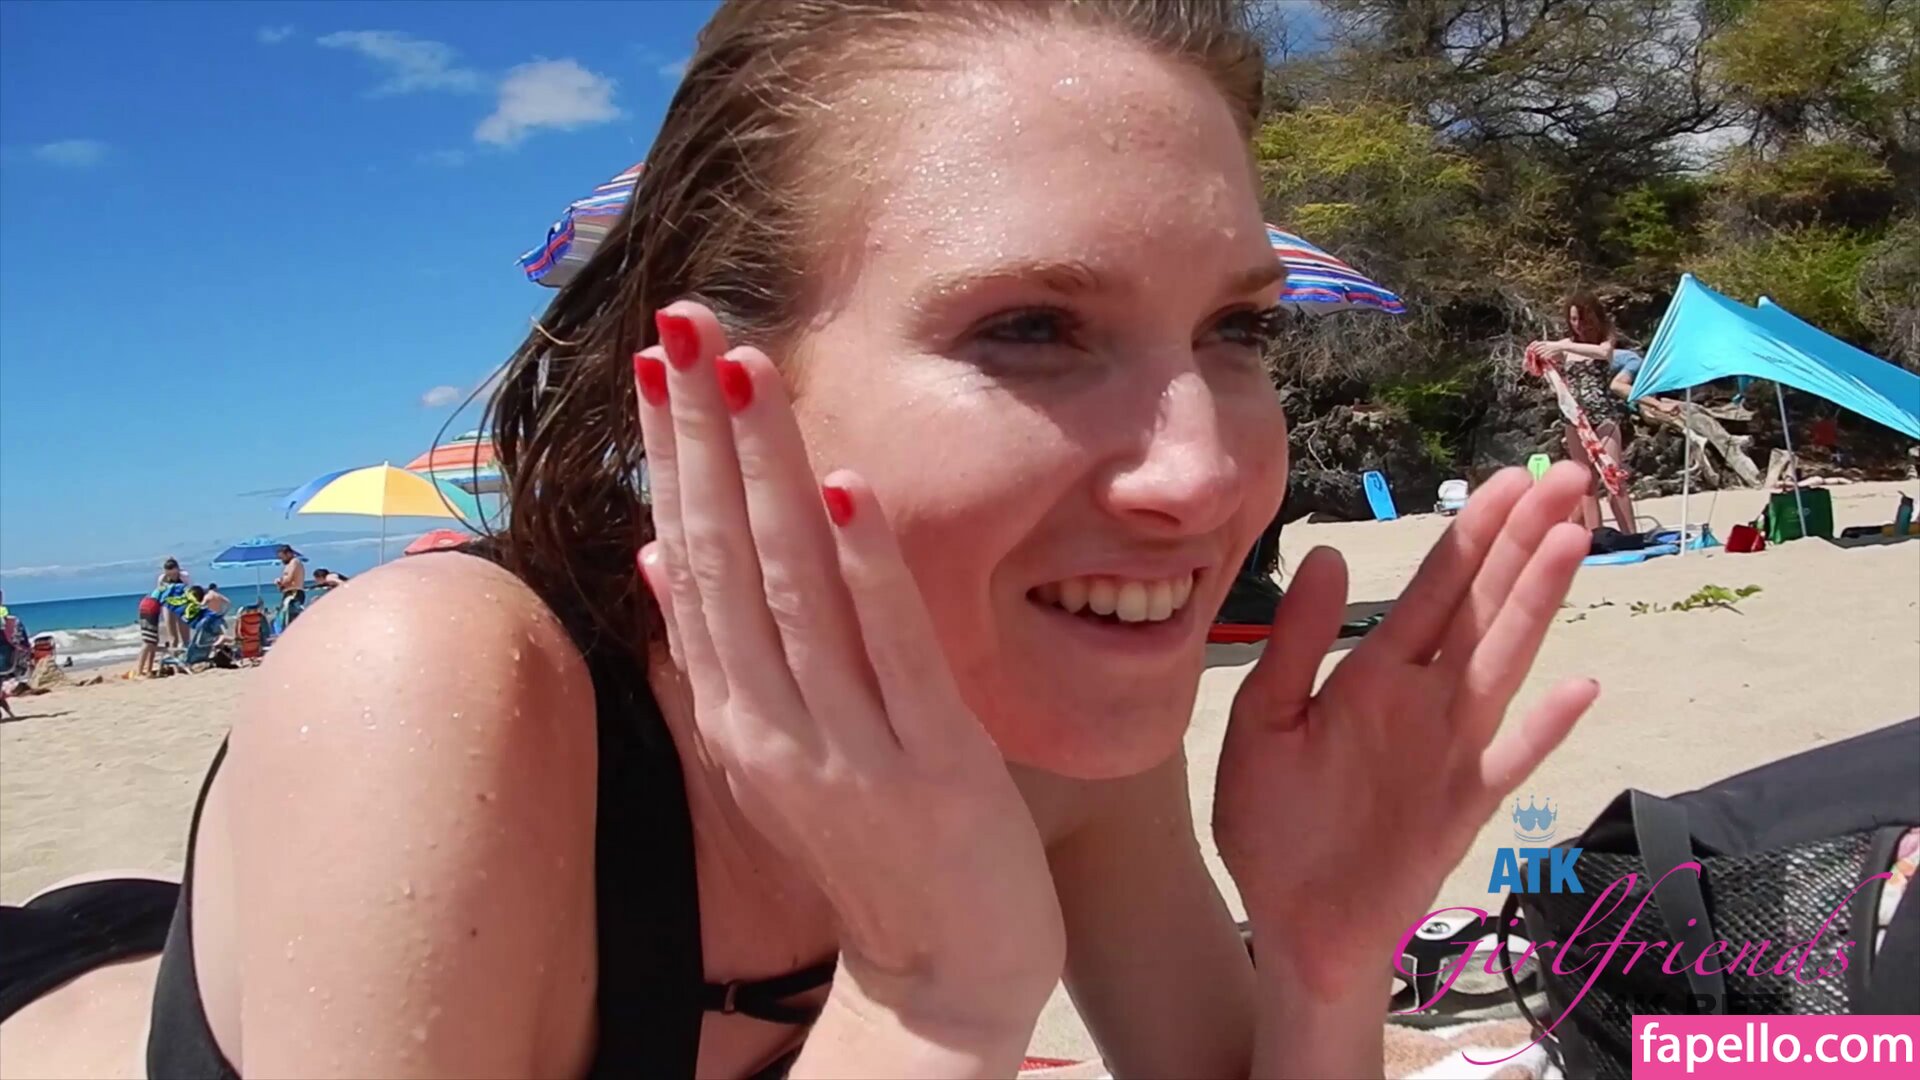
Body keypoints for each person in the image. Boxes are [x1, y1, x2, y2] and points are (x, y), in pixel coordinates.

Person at [0, 4, 1598, 1076]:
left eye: (1235, 329)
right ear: (715, 383)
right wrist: (926, 999)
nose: (1202, 472)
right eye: (1032, 327)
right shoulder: (437, 695)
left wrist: (1323, 961)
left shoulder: (1048, 725)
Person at [1528, 292, 1638, 532]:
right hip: (1575, 420)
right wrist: (1536, 355)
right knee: (1586, 483)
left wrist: (1560, 346)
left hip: (1604, 415)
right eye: (1574, 320)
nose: (1579, 325)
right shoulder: (1565, 346)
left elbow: (1603, 353)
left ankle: (1630, 534)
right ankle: (1595, 536)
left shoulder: (1605, 339)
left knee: (1613, 476)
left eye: (1583, 319)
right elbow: (1538, 367)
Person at [135, 587, 164, 678]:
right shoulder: (174, 588)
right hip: (150, 606)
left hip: (148, 605)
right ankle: (139, 672)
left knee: (153, 641)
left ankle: (148, 670)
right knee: (148, 641)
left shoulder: (164, 586)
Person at [274, 545, 306, 625]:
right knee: (287, 618)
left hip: (294, 592)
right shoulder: (290, 564)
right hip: (291, 592)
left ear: (289, 554)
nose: (282, 560)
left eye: (282, 557)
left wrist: (280, 582)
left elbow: (289, 579)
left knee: (290, 619)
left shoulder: (294, 562)